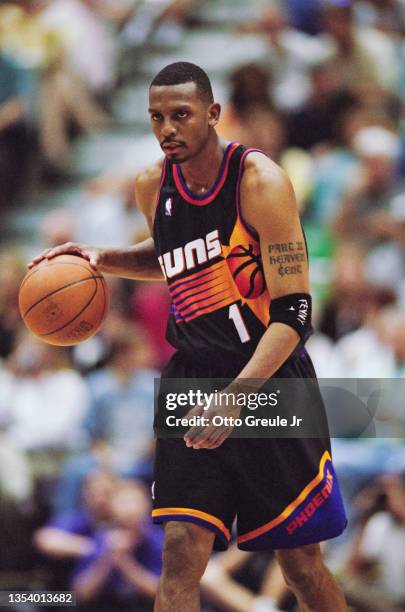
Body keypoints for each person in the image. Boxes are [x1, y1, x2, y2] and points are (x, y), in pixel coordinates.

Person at [29, 61, 348, 611]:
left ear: (214, 114)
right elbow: (176, 258)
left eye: (181, 115)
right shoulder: (152, 184)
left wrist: (235, 400)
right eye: (156, 117)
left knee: (299, 564)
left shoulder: (260, 182)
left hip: (268, 375)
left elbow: (294, 315)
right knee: (179, 552)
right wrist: (100, 260)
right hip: (193, 375)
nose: (167, 128)